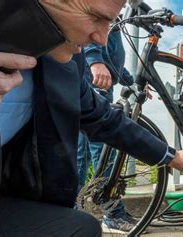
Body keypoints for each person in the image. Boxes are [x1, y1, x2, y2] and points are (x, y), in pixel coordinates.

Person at [0, 1, 183, 236]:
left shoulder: (67, 62)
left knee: (82, 227)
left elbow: (104, 118)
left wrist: (173, 157)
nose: (101, 39)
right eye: (96, 18)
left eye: (110, 22)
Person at [76, 29, 138, 231]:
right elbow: (90, 32)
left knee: (81, 152)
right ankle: (113, 213)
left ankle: (73, 208)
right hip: (93, 82)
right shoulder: (107, 14)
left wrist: (134, 84)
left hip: (99, 85)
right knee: (101, 150)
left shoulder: (117, 22)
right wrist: (95, 61)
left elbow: (114, 61)